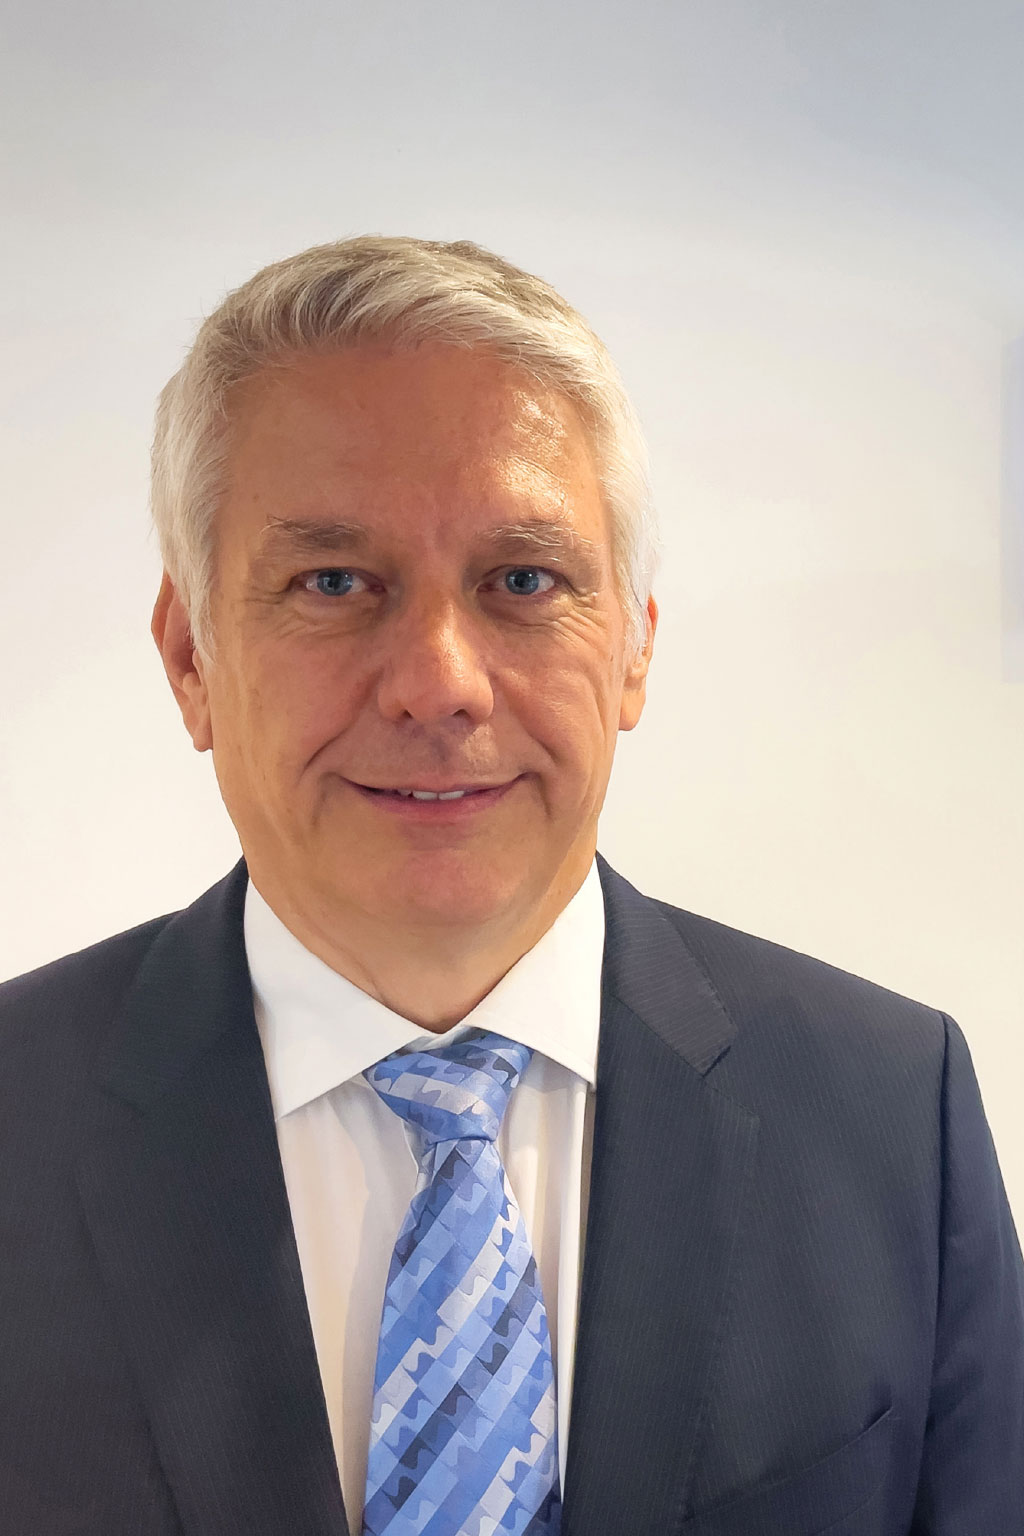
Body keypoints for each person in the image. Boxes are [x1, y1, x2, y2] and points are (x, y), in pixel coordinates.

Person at [0, 236, 1021, 1536]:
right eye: (333, 582)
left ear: (634, 647)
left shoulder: (893, 1115)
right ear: (190, 656)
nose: (441, 682)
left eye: (523, 582)